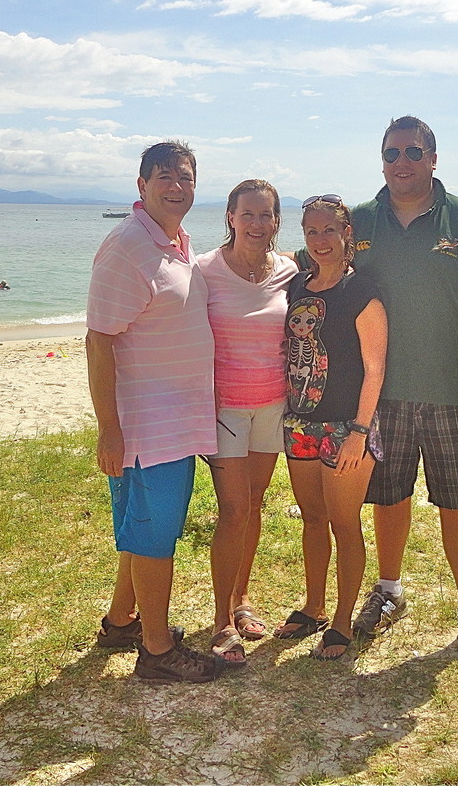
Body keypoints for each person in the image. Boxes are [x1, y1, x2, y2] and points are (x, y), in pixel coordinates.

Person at [304, 116, 458, 671]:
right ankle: (389, 591)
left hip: (455, 393)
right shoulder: (362, 221)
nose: (402, 162)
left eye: (414, 152)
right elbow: (313, 271)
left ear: (433, 159)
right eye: (392, 152)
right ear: (381, 160)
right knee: (389, 498)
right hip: (381, 399)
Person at [85, 141, 224, 684]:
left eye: (185, 177)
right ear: (141, 186)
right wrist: (110, 431)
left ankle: (122, 622)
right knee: (154, 535)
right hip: (146, 427)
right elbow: (99, 342)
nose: (176, 186)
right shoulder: (127, 246)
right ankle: (158, 650)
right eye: (164, 177)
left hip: (173, 421)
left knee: (140, 528)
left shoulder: (173, 241)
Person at [277, 195, 387, 660]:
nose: (320, 240)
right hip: (300, 422)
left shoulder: (363, 293)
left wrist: (360, 432)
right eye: (311, 232)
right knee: (313, 519)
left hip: (348, 428)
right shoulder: (297, 288)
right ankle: (314, 606)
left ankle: (342, 620)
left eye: (329, 231)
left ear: (347, 235)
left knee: (345, 523)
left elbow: (375, 368)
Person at [194, 180, 299, 666]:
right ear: (230, 218)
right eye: (248, 214)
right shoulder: (205, 271)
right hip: (225, 409)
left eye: (267, 215)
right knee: (233, 511)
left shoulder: (288, 272)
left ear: (277, 221)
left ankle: (240, 600)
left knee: (253, 505)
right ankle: (220, 622)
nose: (258, 224)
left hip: (273, 405)